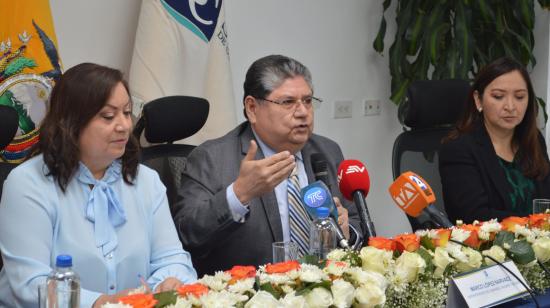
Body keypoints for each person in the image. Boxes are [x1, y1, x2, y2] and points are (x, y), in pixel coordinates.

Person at [0, 63, 197, 307]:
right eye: (108, 116)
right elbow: (31, 284)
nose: (124, 125)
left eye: (126, 112)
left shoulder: (146, 180)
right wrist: (101, 302)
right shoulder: (28, 184)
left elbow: (173, 259)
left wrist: (168, 283)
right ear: (71, 122)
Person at [173, 55, 362, 275]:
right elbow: (186, 235)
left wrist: (347, 233)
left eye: (308, 101)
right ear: (252, 108)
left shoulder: (327, 151)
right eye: (288, 102)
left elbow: (358, 224)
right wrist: (238, 195)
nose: (303, 112)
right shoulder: (213, 159)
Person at [439, 57, 550, 224]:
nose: (511, 107)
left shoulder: (533, 140)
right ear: (478, 100)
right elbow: (472, 216)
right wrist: (533, 224)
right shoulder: (458, 148)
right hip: (488, 247)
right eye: (498, 96)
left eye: (520, 97)